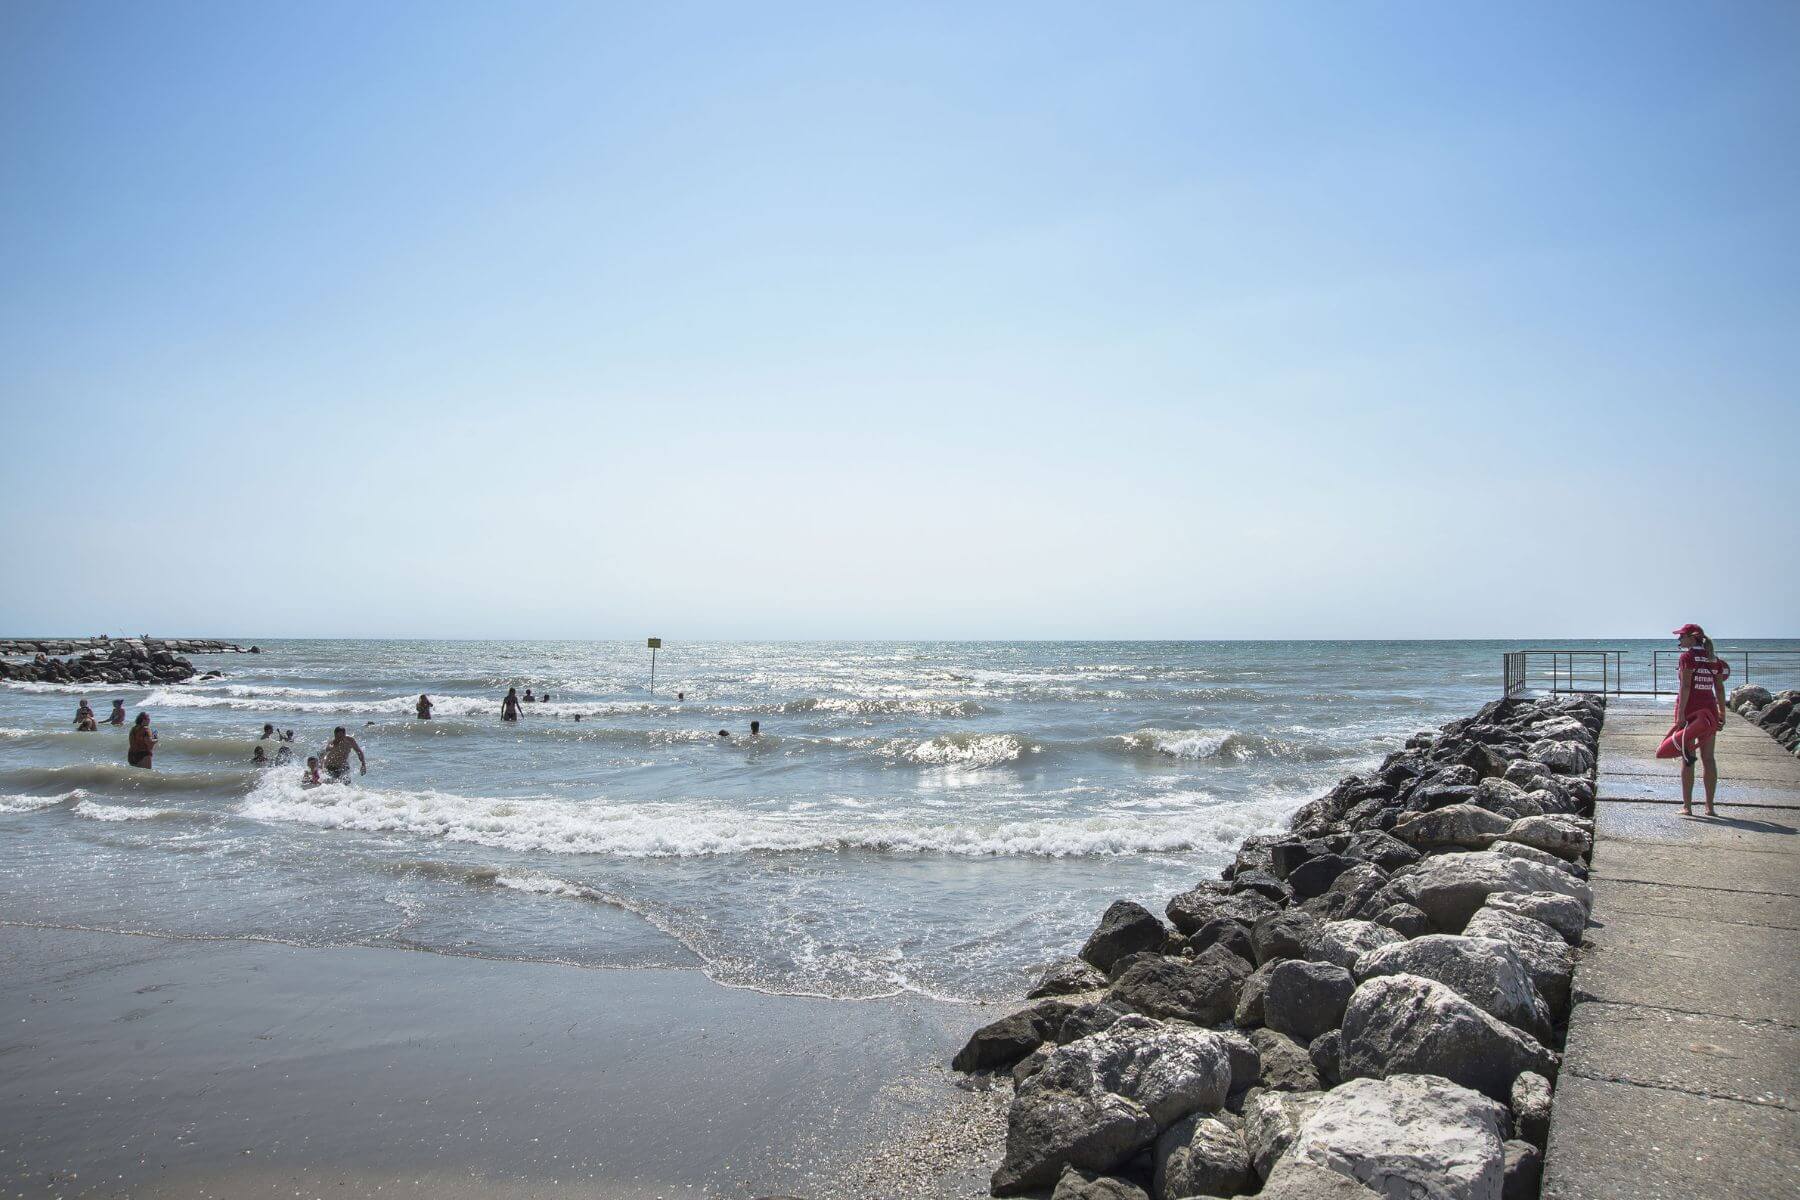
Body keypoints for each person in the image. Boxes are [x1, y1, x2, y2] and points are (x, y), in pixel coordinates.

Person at [1657, 623, 1730, 817]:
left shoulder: (1687, 657)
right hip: (1709, 712)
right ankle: (1710, 807)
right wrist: (1722, 713)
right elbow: (1720, 689)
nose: (1679, 640)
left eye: (1682, 636)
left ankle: (1687, 807)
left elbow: (1686, 687)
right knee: (1708, 758)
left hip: (1690, 712)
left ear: (1693, 637)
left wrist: (1680, 715)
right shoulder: (1714, 659)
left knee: (1688, 759)